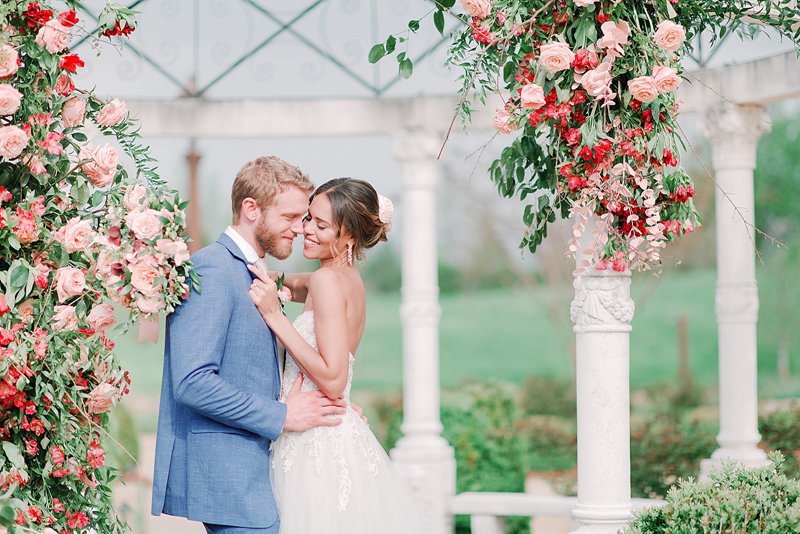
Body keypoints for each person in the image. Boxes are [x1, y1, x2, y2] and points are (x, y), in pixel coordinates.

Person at [152, 157, 350, 534]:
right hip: (232, 479)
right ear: (251, 208)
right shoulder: (210, 270)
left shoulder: (251, 272)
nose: (300, 228)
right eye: (291, 216)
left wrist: (332, 407)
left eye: (304, 217)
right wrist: (282, 415)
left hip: (261, 475)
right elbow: (192, 382)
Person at [248, 177, 420, 533]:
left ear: (350, 236)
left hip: (316, 440)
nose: (306, 229)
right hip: (331, 430)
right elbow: (279, 281)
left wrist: (274, 317)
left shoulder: (326, 282)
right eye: (308, 218)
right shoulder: (343, 278)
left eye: (320, 225)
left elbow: (333, 377)